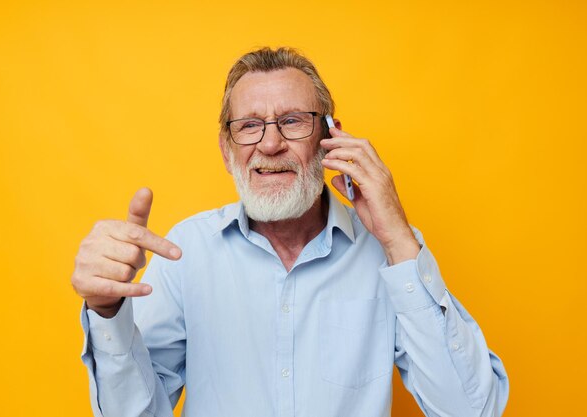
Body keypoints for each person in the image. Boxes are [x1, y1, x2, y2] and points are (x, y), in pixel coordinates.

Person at [72, 47, 509, 417]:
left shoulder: (389, 251)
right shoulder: (186, 251)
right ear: (227, 152)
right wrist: (107, 312)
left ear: (329, 135)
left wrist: (398, 240)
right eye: (249, 126)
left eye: (293, 120)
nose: (269, 143)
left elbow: (472, 409)